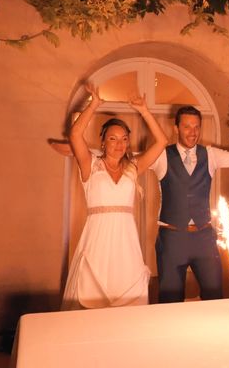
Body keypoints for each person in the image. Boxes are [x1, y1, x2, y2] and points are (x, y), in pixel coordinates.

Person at [61, 84, 168, 310]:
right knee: (91, 293)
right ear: (103, 142)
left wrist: (145, 110)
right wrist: (95, 104)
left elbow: (161, 142)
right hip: (97, 238)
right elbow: (75, 134)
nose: (119, 145)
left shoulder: (133, 167)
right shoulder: (90, 164)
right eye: (113, 139)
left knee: (127, 294)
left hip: (125, 242)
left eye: (124, 139)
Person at [150, 105, 229, 303]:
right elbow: (129, 163)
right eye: (187, 127)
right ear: (176, 128)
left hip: (204, 237)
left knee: (214, 295)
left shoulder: (210, 155)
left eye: (197, 127)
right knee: (170, 300)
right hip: (172, 238)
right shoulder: (161, 156)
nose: (193, 133)